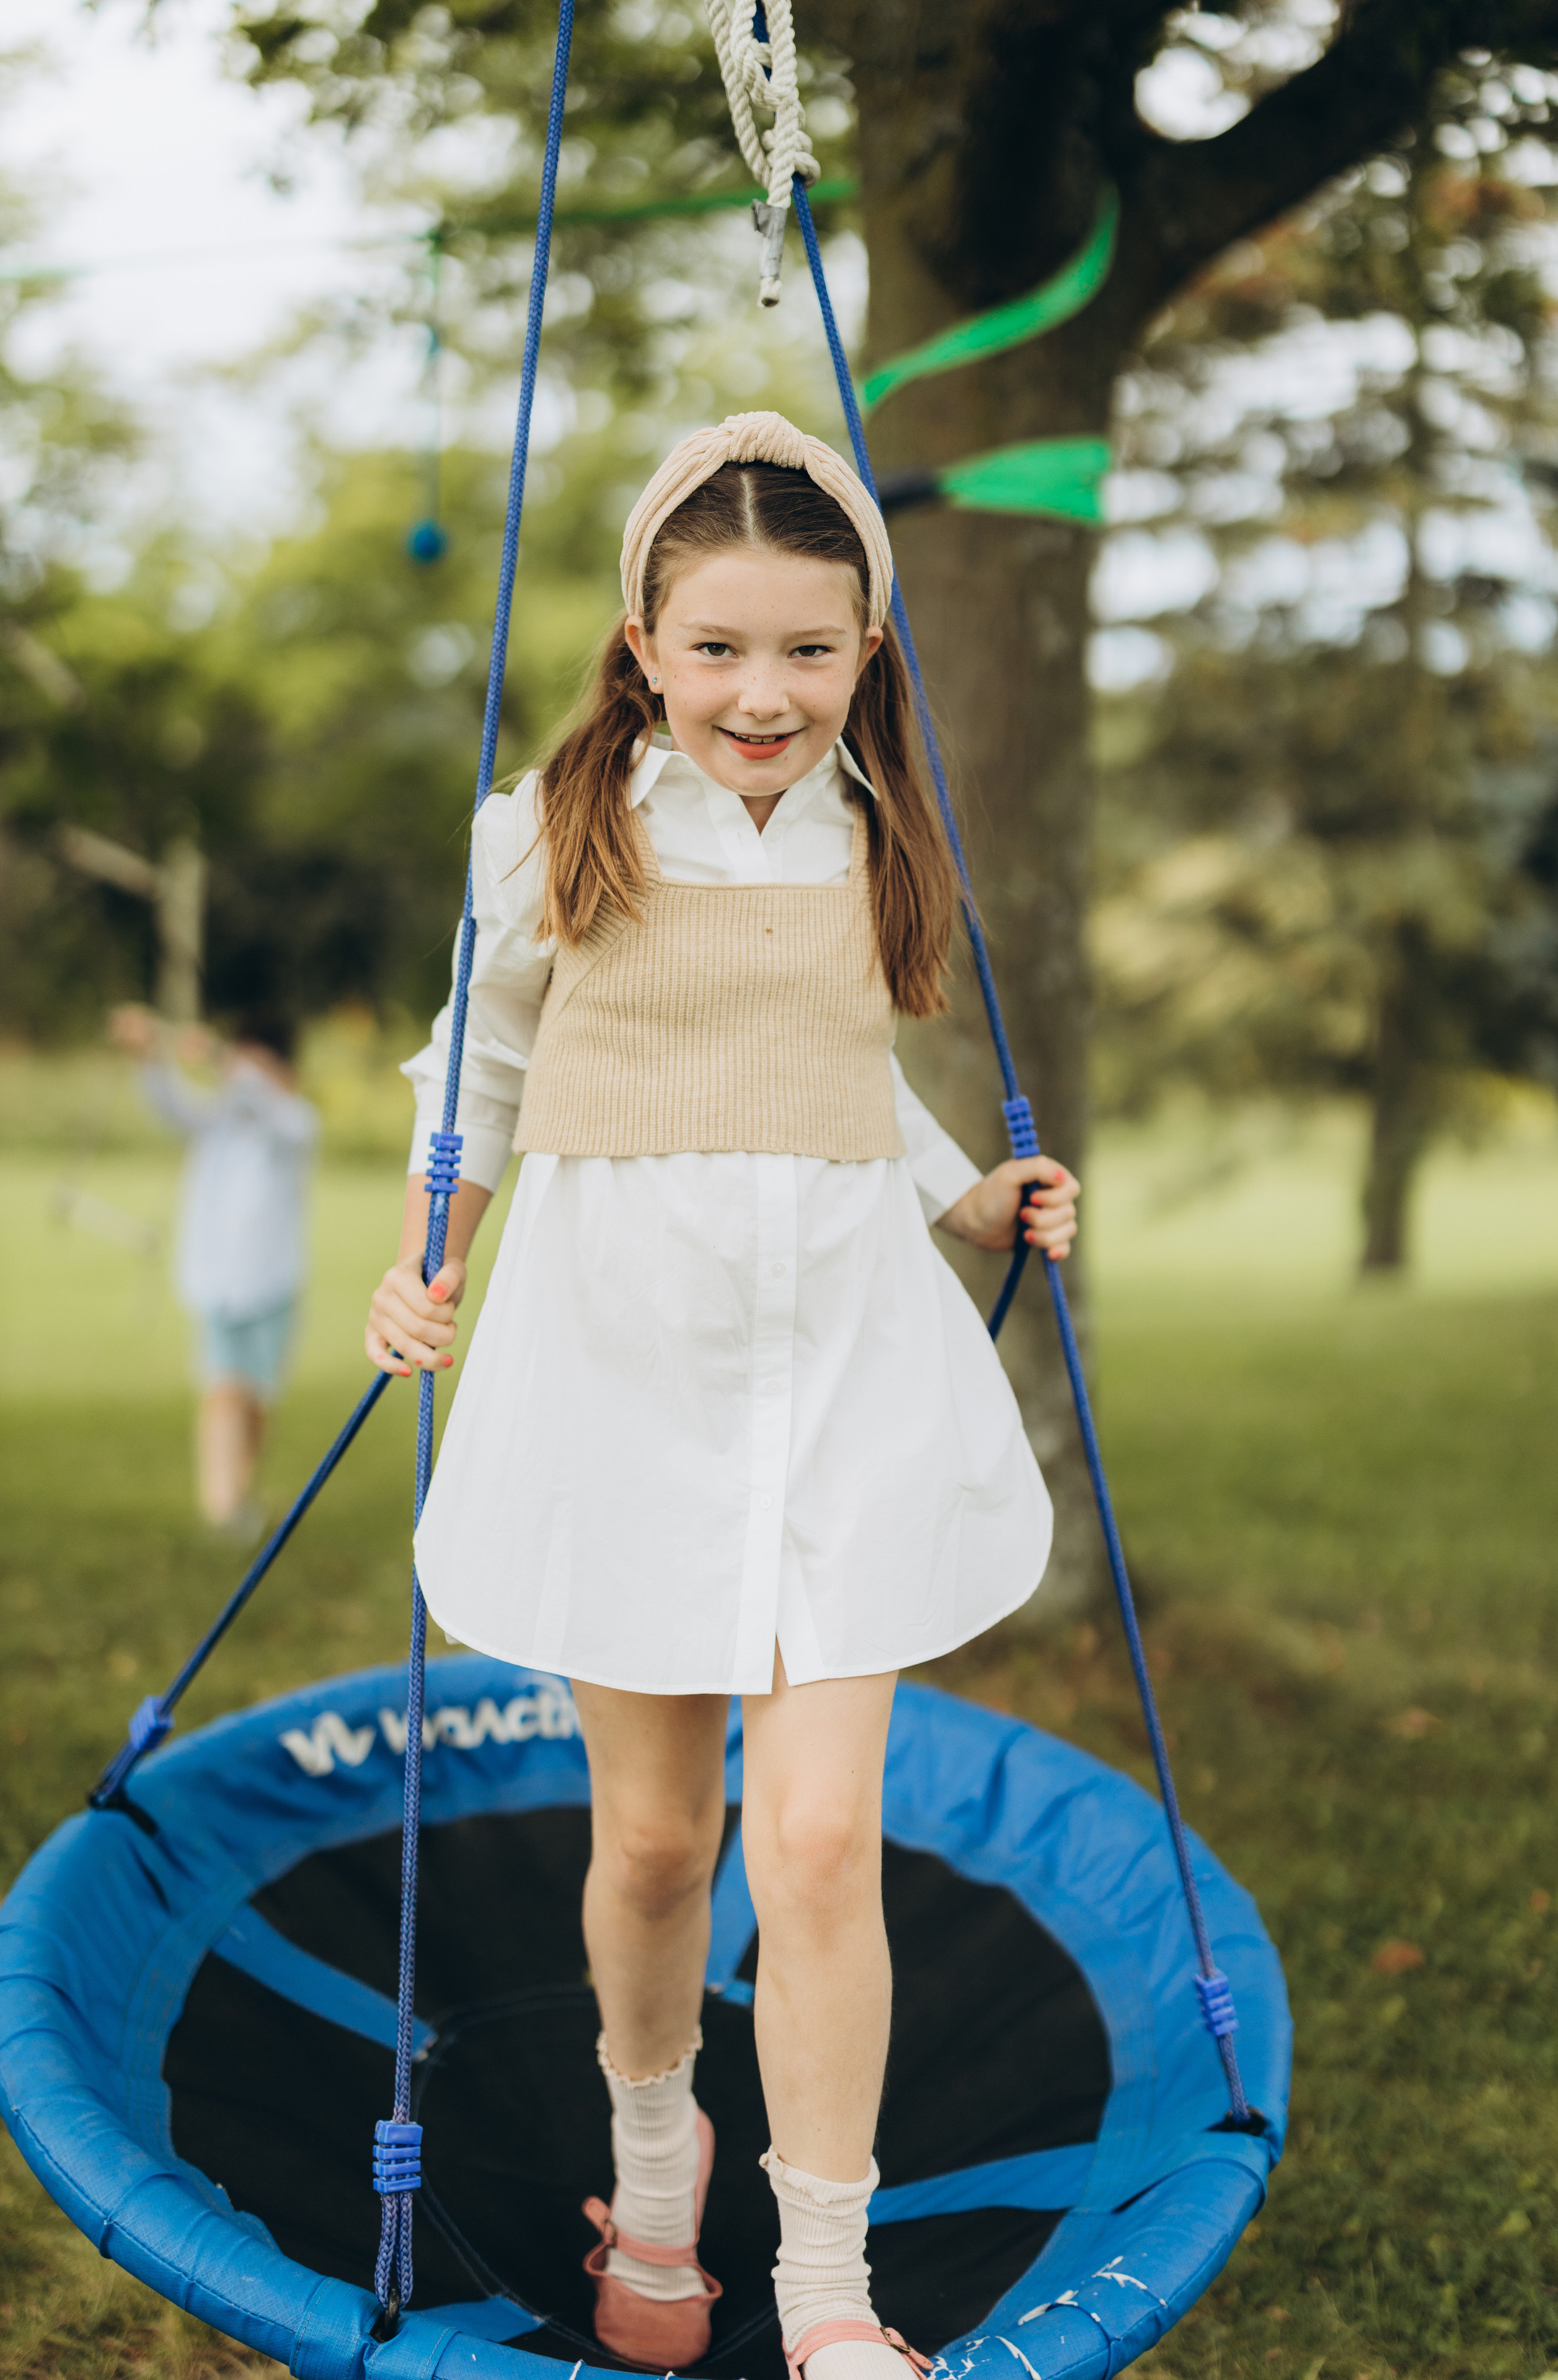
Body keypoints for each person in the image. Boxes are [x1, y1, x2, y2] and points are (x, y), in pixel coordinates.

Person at [367, 412, 1080, 2380]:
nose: (760, 691)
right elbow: (478, 1071)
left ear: (866, 649)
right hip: (623, 1370)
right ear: (642, 641)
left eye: (806, 648)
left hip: (843, 1369)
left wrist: (968, 1188)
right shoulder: (545, 831)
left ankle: (830, 2287)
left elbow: (850, 1074)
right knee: (664, 1840)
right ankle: (657, 2172)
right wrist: (427, 1251)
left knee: (822, 1840)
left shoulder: (881, 823)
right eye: (718, 647)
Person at [111, 1002, 319, 1537]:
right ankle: (222, 1506)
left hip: (273, 1286)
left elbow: (265, 1100)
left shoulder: (294, 1122)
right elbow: (172, 1107)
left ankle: (238, 1496)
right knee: (223, 1391)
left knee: (256, 1401)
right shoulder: (218, 1119)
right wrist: (151, 1054)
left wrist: (224, 1055)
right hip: (218, 1284)